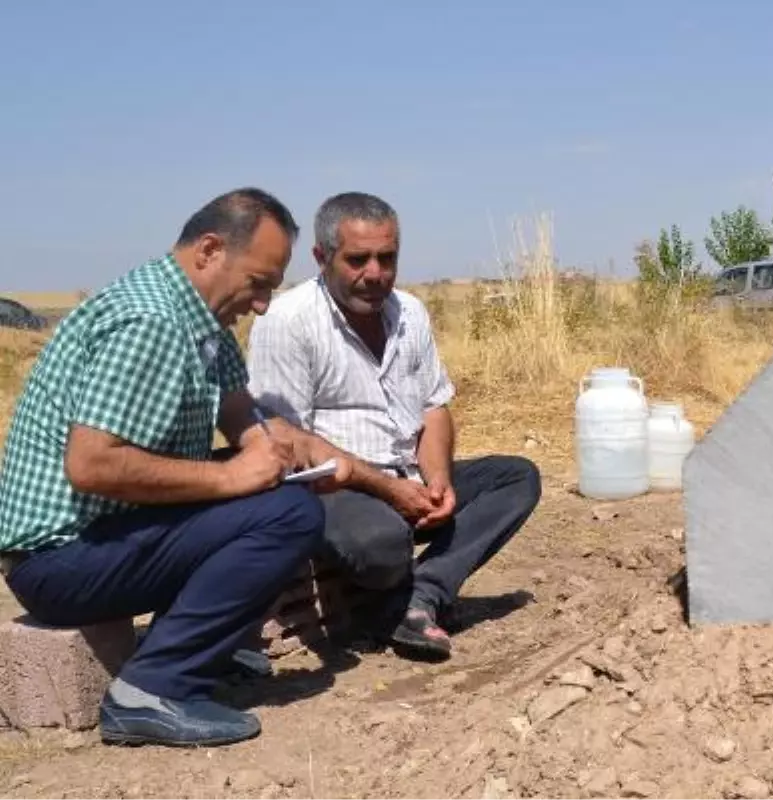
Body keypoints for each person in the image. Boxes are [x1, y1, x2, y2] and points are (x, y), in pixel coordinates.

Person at [0, 188, 359, 748]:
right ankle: (151, 689)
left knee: (280, 493)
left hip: (109, 530)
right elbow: (92, 464)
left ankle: (206, 646)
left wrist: (289, 452)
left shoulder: (203, 323)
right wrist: (234, 477)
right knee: (284, 516)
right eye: (259, 282)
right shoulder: (151, 321)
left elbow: (240, 413)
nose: (263, 303)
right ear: (209, 250)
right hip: (59, 559)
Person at [246, 191, 541, 661]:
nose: (375, 273)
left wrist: (438, 480)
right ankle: (393, 598)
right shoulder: (289, 322)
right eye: (358, 259)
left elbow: (433, 409)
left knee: (517, 478)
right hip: (337, 490)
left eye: (387, 258)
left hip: (408, 477)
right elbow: (288, 443)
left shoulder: (409, 313)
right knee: (383, 540)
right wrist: (386, 489)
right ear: (322, 258)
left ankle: (420, 596)